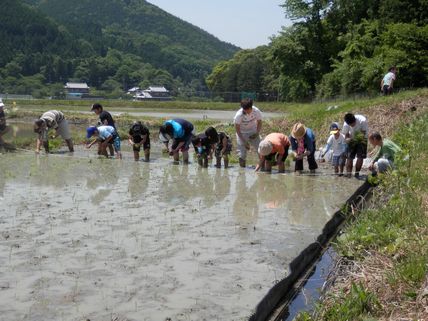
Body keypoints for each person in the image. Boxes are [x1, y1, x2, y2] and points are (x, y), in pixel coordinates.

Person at [234, 98, 262, 167]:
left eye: (248, 110)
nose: (246, 111)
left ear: (251, 107)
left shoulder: (256, 111)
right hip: (241, 133)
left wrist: (257, 133)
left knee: (261, 149)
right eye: (244, 110)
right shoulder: (239, 115)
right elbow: (237, 129)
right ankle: (242, 171)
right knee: (242, 154)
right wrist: (244, 141)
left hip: (253, 131)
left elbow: (259, 122)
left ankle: (262, 167)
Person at [342, 113, 368, 178]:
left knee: (360, 157)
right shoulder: (346, 124)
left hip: (362, 138)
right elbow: (346, 135)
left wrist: (355, 139)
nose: (352, 125)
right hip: (351, 138)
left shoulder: (362, 120)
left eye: (352, 124)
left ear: (355, 120)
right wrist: (347, 140)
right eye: (350, 125)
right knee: (349, 157)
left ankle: (357, 174)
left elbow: (363, 133)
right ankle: (349, 175)